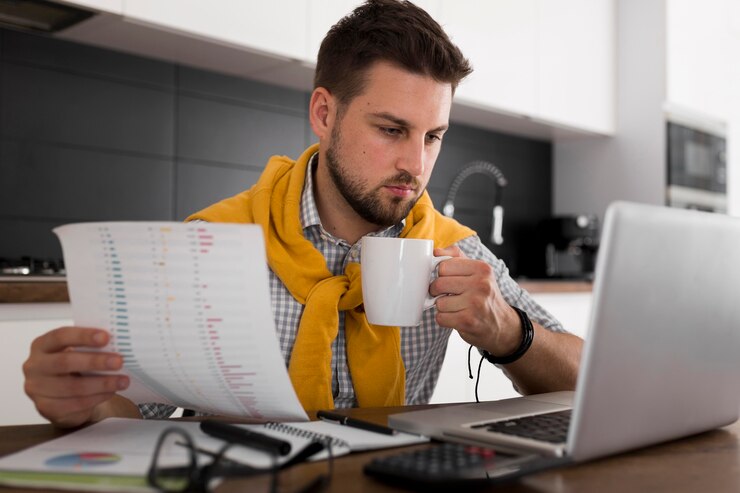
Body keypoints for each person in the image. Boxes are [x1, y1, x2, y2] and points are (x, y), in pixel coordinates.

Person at [23, 0, 583, 428]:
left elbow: (587, 379)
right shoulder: (214, 241)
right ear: (323, 113)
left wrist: (508, 331)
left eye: (433, 136)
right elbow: (133, 415)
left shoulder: (451, 247)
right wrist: (81, 402)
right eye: (391, 130)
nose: (416, 163)